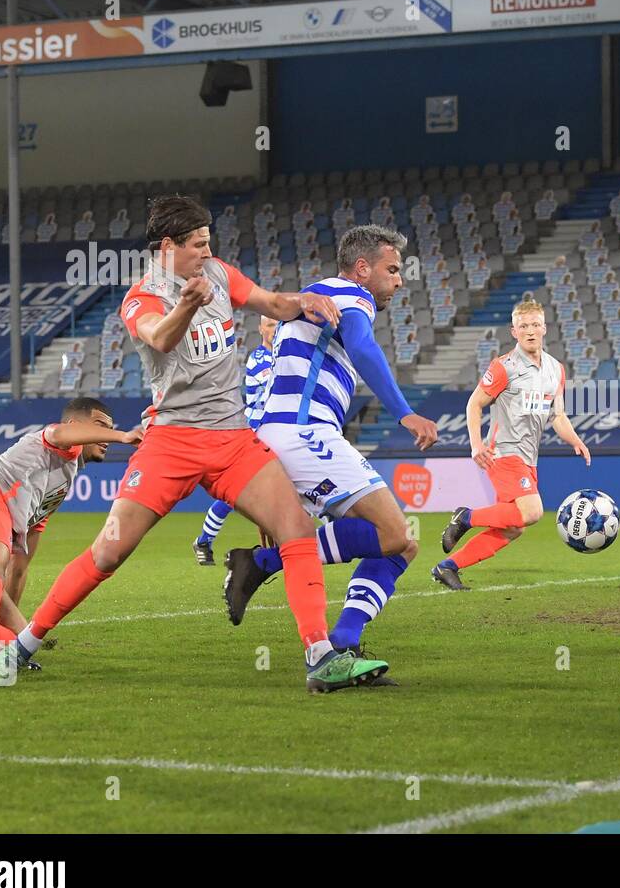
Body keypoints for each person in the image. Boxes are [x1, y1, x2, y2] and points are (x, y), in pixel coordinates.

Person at [0, 194, 386, 694]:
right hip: (171, 441)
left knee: (295, 527)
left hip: (233, 438)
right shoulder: (142, 296)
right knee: (108, 553)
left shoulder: (216, 273)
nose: (206, 253)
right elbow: (160, 338)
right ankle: (23, 645)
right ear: (168, 246)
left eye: (209, 243)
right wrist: (188, 307)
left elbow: (269, 302)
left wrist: (303, 302)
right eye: (198, 244)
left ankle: (320, 656)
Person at [221, 226, 439, 681]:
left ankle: (342, 642)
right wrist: (404, 413)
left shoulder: (317, 299)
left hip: (284, 436)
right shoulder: (345, 293)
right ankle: (260, 564)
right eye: (392, 269)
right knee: (395, 533)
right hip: (304, 434)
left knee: (403, 544)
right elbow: (362, 347)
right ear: (363, 269)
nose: (400, 280)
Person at [0, 398, 139, 672]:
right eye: (101, 426)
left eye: (111, 429)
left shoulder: (58, 483)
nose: (107, 436)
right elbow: (59, 433)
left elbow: (18, 567)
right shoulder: (59, 443)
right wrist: (124, 435)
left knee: (19, 641)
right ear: (75, 425)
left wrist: (17, 630)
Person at [432, 298, 591, 591]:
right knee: (532, 512)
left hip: (528, 458)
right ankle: (466, 517)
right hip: (504, 451)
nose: (530, 331)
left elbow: (556, 415)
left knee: (513, 527)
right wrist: (476, 445)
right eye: (523, 326)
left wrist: (575, 439)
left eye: (534, 325)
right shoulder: (504, 366)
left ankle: (447, 567)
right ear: (513, 332)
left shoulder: (556, 369)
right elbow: (474, 404)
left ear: (545, 328)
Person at [192, 315, 278, 564]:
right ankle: (204, 541)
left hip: (276, 435)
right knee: (233, 495)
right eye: (270, 325)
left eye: (278, 324)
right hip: (253, 436)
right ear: (261, 328)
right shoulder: (258, 359)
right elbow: (275, 389)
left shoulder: (285, 356)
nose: (274, 330)